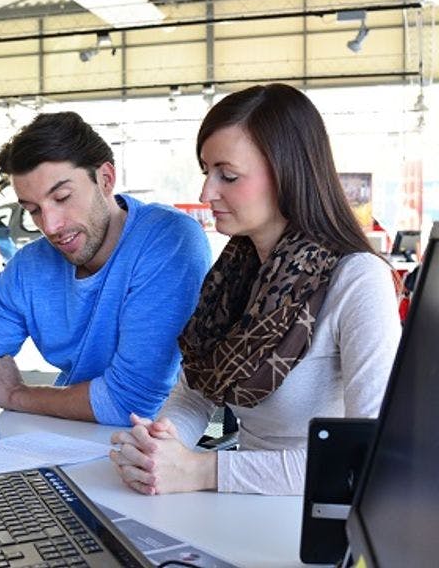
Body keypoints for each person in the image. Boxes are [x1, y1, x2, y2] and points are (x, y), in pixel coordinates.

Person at [110, 83, 401, 496]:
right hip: (240, 499)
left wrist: (203, 471)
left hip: (309, 510)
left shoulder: (357, 280)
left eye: (228, 175)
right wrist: (161, 444)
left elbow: (367, 455)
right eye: (207, 173)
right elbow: (197, 396)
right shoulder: (233, 274)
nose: (206, 193)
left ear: (286, 174)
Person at [0, 111, 211, 442]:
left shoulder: (168, 239)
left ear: (106, 179)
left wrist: (16, 395)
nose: (49, 226)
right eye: (33, 210)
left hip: (152, 451)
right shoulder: (28, 268)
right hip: (65, 440)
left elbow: (132, 401)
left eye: (62, 198)